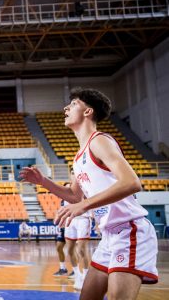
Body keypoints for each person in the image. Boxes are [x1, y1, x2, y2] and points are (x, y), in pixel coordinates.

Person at [20, 87, 158, 299]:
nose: (66, 107)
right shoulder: (78, 157)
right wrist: (43, 182)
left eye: (74, 104)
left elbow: (132, 182)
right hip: (109, 236)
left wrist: (84, 206)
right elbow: (75, 196)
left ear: (88, 112)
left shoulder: (99, 140)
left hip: (130, 230)